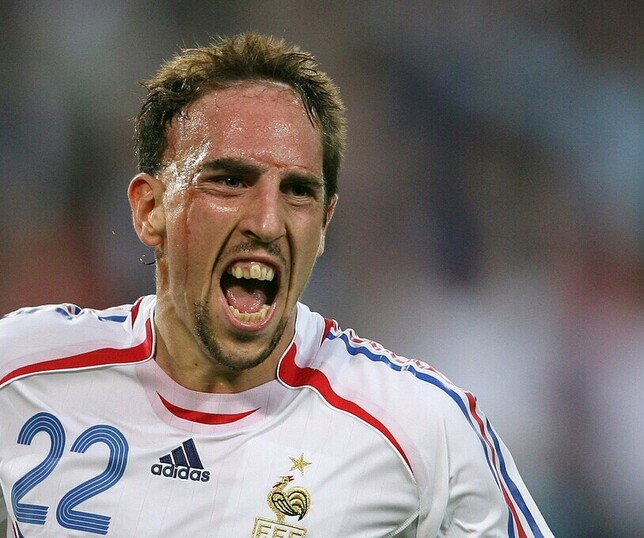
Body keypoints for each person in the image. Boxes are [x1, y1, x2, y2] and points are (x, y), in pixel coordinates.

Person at [0, 33, 554, 537]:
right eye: (230, 180)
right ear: (150, 210)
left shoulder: (417, 428)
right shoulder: (20, 373)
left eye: (298, 191)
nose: (267, 222)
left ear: (324, 226)